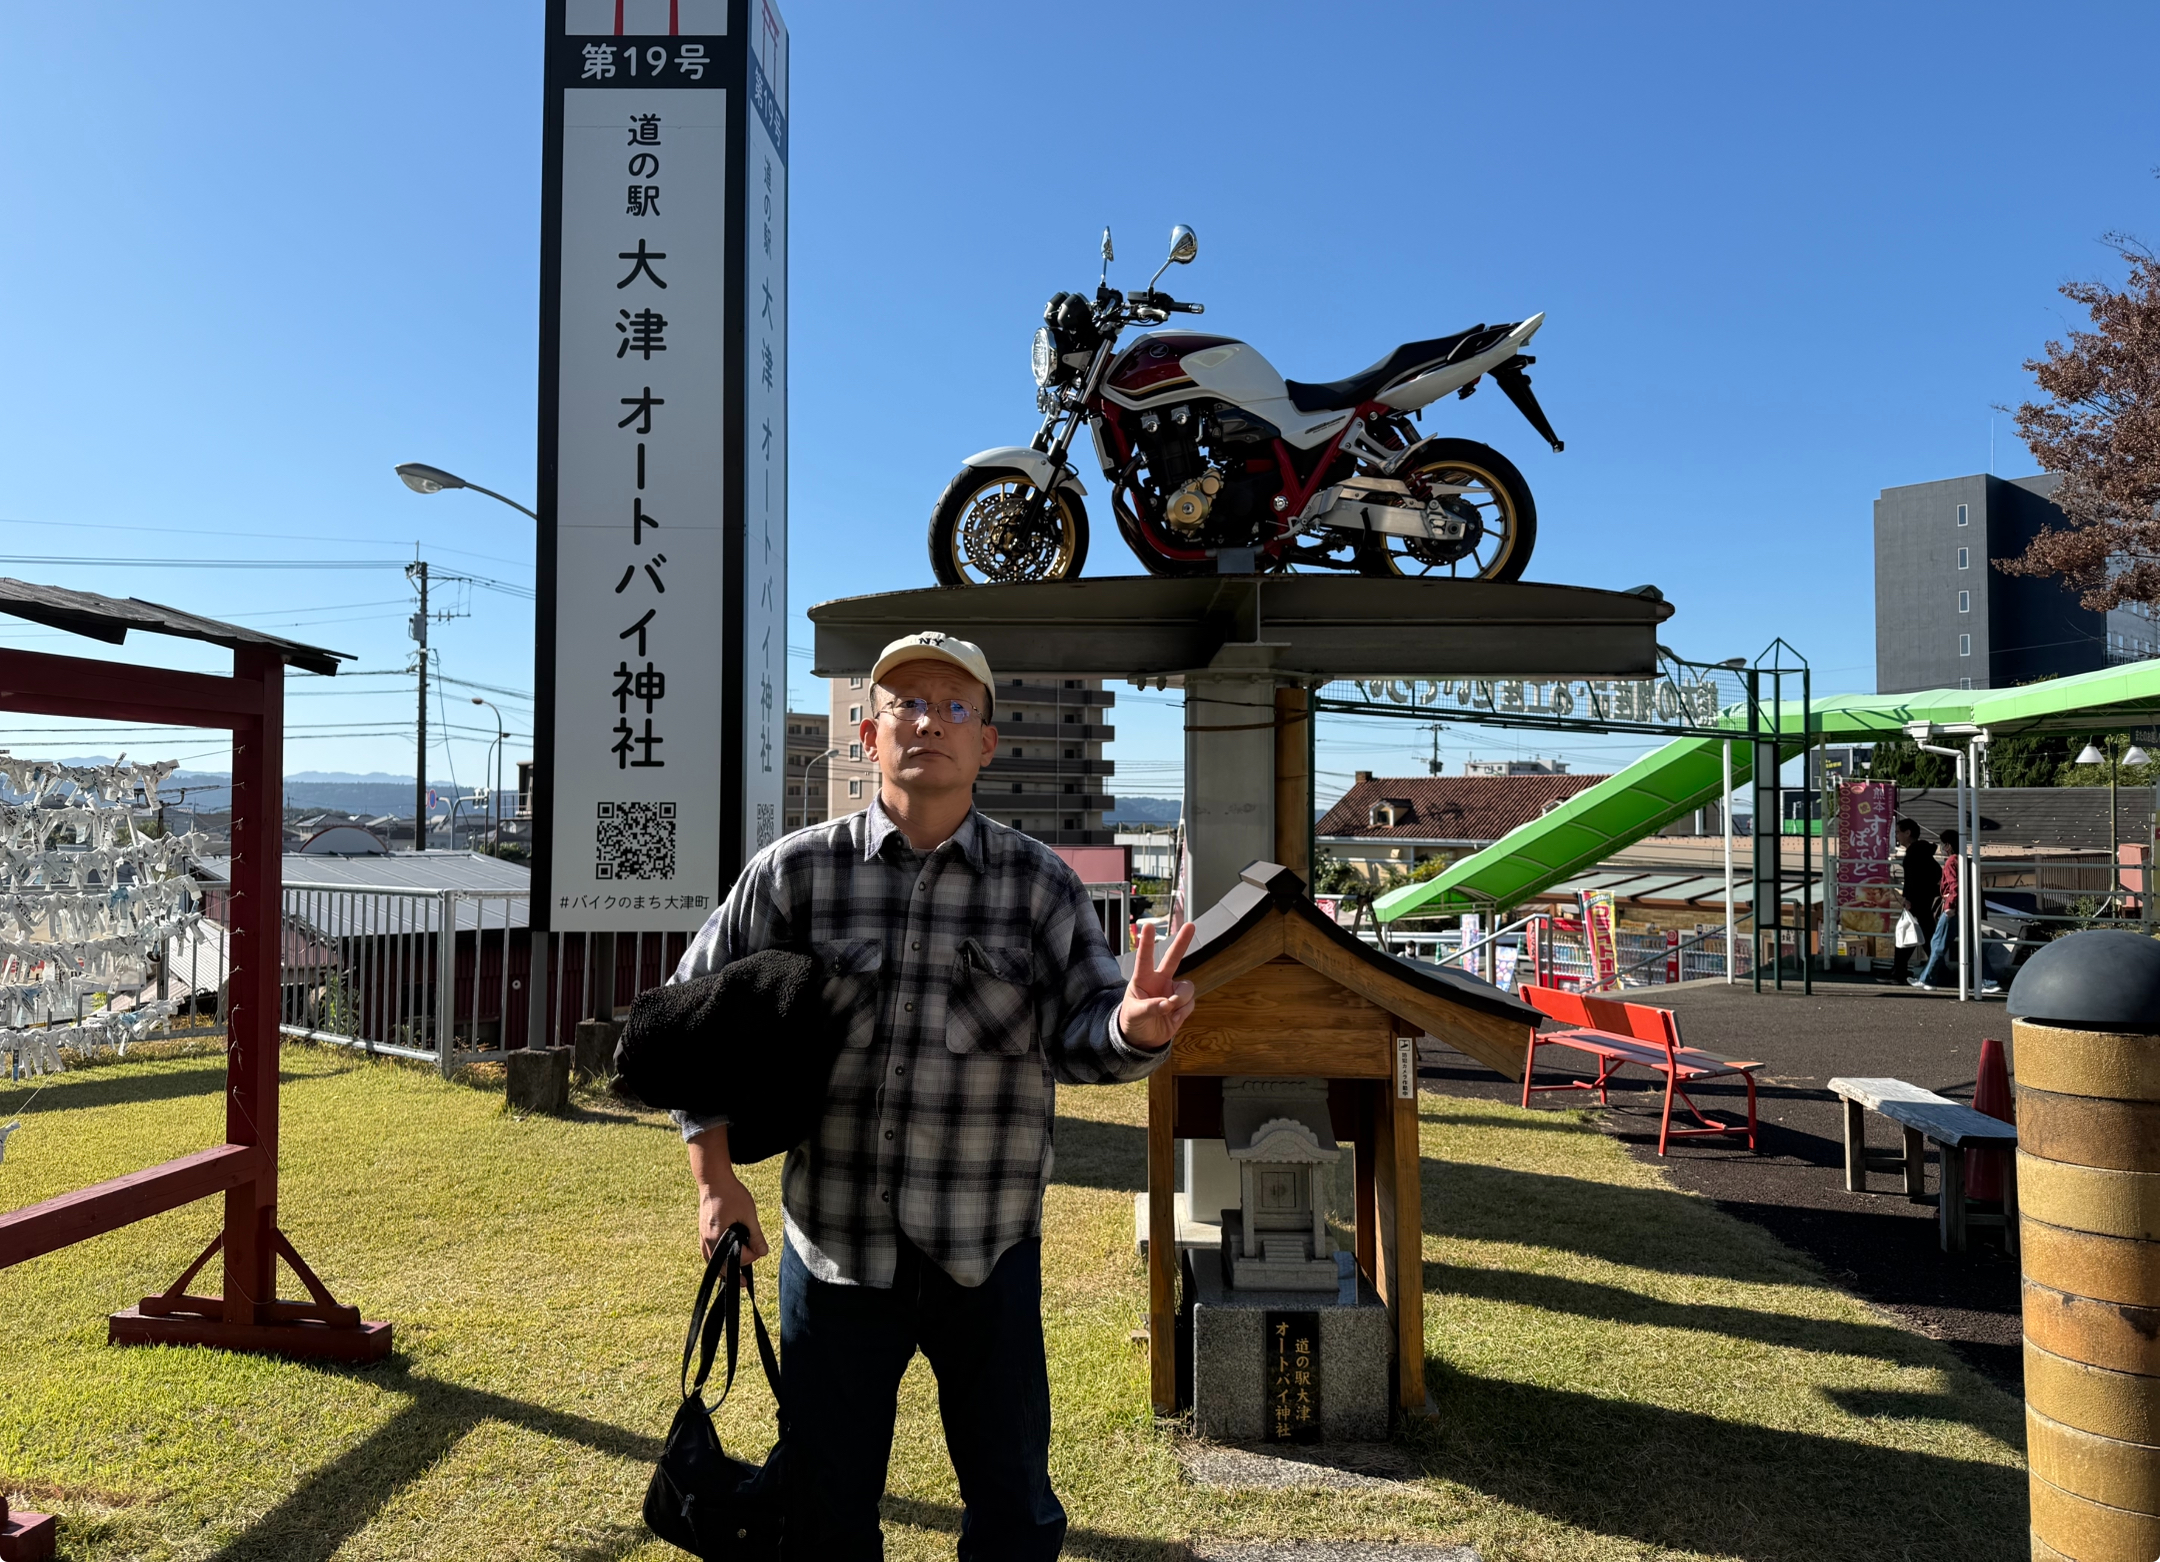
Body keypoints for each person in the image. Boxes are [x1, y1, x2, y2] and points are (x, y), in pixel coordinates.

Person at [671, 630, 1198, 1561]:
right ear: (869, 733)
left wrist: (1135, 1027)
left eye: (955, 707)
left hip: (988, 1249)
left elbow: (1084, 1037)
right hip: (833, 1248)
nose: (929, 722)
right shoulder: (795, 873)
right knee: (825, 1513)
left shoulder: (1040, 886)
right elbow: (691, 1023)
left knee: (1013, 1508)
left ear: (986, 743)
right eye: (906, 703)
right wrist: (715, 1180)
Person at [1910, 828, 2003, 993]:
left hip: (1954, 909)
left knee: (1938, 944)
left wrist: (1950, 906)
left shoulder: (1951, 862)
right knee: (1972, 947)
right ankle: (1988, 981)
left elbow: (1955, 886)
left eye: (1943, 844)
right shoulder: (1967, 860)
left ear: (1948, 845)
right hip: (1969, 909)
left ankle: (1928, 979)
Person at [1886, 817, 1937, 985]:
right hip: (1925, 900)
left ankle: (1899, 972)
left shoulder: (1913, 853)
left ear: (1908, 833)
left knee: (1909, 935)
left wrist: (1907, 898)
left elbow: (1911, 880)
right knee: (1924, 936)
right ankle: (1936, 970)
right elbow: (1934, 874)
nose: (1897, 836)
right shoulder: (1924, 852)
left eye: (1898, 832)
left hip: (1916, 901)